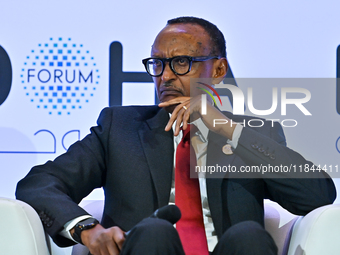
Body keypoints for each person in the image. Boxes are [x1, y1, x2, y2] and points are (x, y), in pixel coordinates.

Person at [16, 16, 336, 255]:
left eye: (181, 62)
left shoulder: (252, 134)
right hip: (147, 249)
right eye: (158, 63)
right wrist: (86, 229)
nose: (165, 76)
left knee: (249, 236)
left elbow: (317, 195)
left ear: (219, 70)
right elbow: (40, 183)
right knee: (154, 231)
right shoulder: (120, 128)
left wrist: (225, 128)